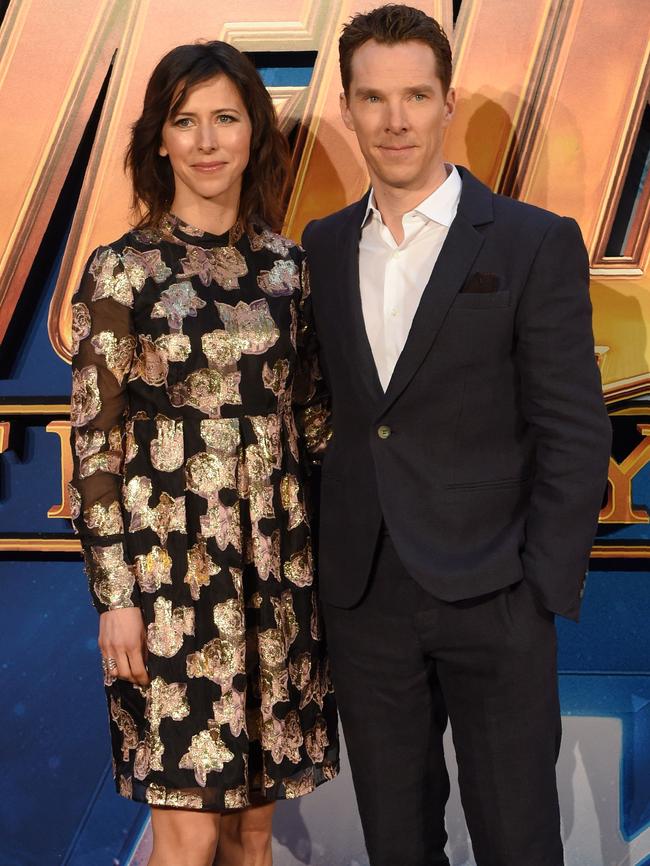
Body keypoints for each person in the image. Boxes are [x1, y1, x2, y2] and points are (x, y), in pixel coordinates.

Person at [301, 5, 612, 866]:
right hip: (366, 601)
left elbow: (575, 432)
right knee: (397, 845)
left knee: (519, 841)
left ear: (445, 103)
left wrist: (539, 585)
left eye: (414, 96)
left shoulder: (530, 241)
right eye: (374, 98)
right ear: (348, 106)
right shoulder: (322, 248)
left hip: (496, 593)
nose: (395, 120)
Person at [69, 40, 338, 866]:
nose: (208, 139)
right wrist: (116, 596)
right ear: (160, 139)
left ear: (254, 133)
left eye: (226, 118)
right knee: (185, 833)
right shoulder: (123, 271)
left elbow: (319, 429)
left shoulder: (294, 271)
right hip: (167, 587)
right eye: (186, 121)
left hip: (277, 581)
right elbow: (94, 445)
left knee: (252, 835)